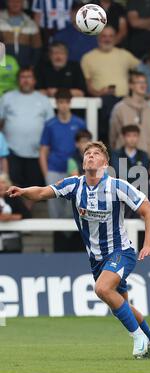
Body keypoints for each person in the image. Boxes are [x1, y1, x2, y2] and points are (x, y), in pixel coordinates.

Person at [7, 141, 150, 359]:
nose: (90, 156)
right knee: (120, 304)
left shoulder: (117, 186)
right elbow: (43, 193)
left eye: (96, 153)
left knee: (102, 289)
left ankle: (137, 337)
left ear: (106, 163)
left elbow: (148, 211)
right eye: (87, 154)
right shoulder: (74, 185)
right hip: (96, 259)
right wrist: (23, 191)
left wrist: (148, 244)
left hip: (121, 251)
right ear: (82, 163)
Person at [0, 67, 54, 199]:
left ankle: (26, 214)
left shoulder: (43, 100)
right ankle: (19, 212)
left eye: (29, 77)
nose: (26, 80)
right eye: (23, 77)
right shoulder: (7, 98)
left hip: (36, 152)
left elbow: (50, 127)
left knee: (34, 186)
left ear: (34, 80)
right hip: (11, 151)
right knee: (12, 185)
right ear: (18, 80)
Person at [39, 88, 86, 218]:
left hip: (74, 170)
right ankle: (57, 238)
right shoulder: (50, 124)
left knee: (73, 207)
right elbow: (43, 151)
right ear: (56, 103)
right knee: (54, 209)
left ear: (70, 103)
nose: (63, 105)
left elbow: (85, 147)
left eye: (66, 102)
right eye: (60, 102)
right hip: (54, 169)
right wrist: (46, 174)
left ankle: (72, 238)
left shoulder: (79, 123)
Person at [81, 25, 140, 98]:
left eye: (111, 36)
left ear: (115, 38)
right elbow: (88, 86)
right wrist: (99, 93)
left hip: (125, 100)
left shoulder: (125, 54)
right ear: (98, 38)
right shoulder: (87, 58)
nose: (107, 39)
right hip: (100, 101)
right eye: (104, 36)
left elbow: (143, 69)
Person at [109, 71, 150, 158]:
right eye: (139, 82)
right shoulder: (119, 108)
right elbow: (113, 137)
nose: (143, 85)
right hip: (123, 160)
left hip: (146, 159)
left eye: (145, 82)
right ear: (130, 85)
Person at [0, 0, 42, 67]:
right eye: (12, 1)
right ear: (7, 3)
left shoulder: (31, 23)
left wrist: (33, 65)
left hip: (25, 66)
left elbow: (37, 47)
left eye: (19, 1)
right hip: (3, 66)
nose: (15, 3)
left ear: (23, 4)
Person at [0, 173, 31, 253]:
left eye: (3, 182)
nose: (0, 186)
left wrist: (10, 217)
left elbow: (26, 214)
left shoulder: (14, 198)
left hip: (12, 241)